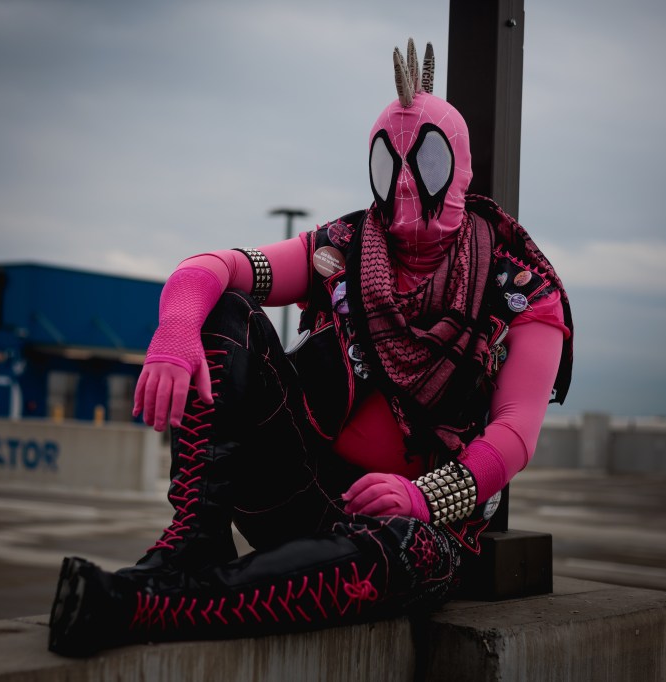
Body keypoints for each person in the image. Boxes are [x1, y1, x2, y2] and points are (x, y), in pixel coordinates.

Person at [48, 39, 573, 657]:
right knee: (225, 308)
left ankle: (144, 604)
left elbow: (514, 434)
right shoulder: (343, 246)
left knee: (402, 553)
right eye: (390, 163)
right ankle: (193, 539)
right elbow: (218, 268)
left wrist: (422, 498)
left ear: (458, 168)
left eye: (426, 161)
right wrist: (176, 329)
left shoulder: (521, 290)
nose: (406, 183)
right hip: (297, 488)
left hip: (412, 526)